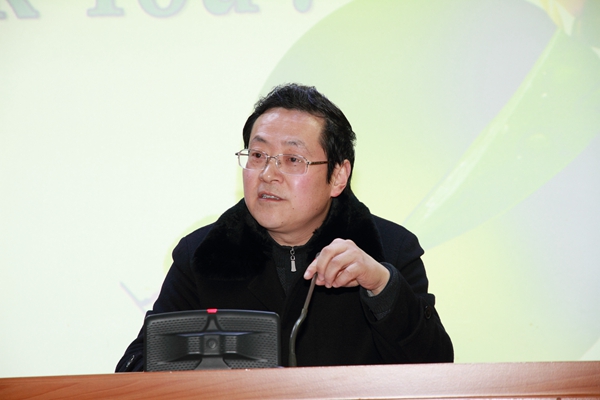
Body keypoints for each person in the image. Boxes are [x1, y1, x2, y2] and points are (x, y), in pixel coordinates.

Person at [115, 83, 453, 372]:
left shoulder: (389, 250)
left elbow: (436, 370)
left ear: (338, 176)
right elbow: (137, 366)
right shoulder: (202, 255)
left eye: (292, 160)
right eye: (257, 155)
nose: (267, 174)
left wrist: (382, 287)